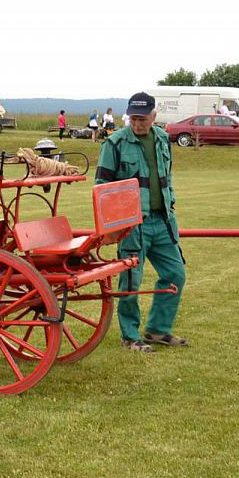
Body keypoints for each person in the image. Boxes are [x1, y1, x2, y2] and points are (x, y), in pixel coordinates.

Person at [96, 92, 187, 352]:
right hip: (133, 226)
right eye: (134, 118)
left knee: (175, 274)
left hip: (163, 221)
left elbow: (166, 176)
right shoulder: (114, 144)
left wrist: (170, 203)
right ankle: (129, 336)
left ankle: (158, 330)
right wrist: (118, 224)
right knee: (131, 282)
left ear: (154, 116)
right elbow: (102, 187)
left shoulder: (162, 139)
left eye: (143, 119)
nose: (138, 124)